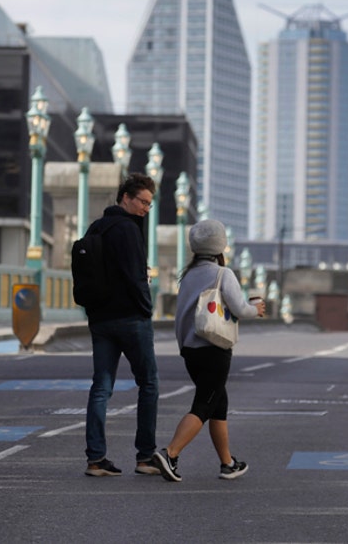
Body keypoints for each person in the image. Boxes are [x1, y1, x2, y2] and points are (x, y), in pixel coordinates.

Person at [152, 219, 264, 482]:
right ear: (221, 247)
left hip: (190, 350)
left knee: (218, 404)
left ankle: (227, 463)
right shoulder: (223, 274)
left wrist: (184, 346)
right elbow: (240, 309)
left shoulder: (188, 275)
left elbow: (181, 316)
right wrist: (256, 309)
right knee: (204, 405)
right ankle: (170, 453)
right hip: (214, 349)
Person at [82, 172, 161, 477]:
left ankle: (96, 459)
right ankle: (144, 457)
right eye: (142, 201)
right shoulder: (128, 229)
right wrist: (146, 308)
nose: (145, 208)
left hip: (100, 319)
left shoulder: (96, 227)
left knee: (101, 387)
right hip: (130, 319)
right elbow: (134, 276)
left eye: (149, 204)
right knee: (149, 384)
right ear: (125, 198)